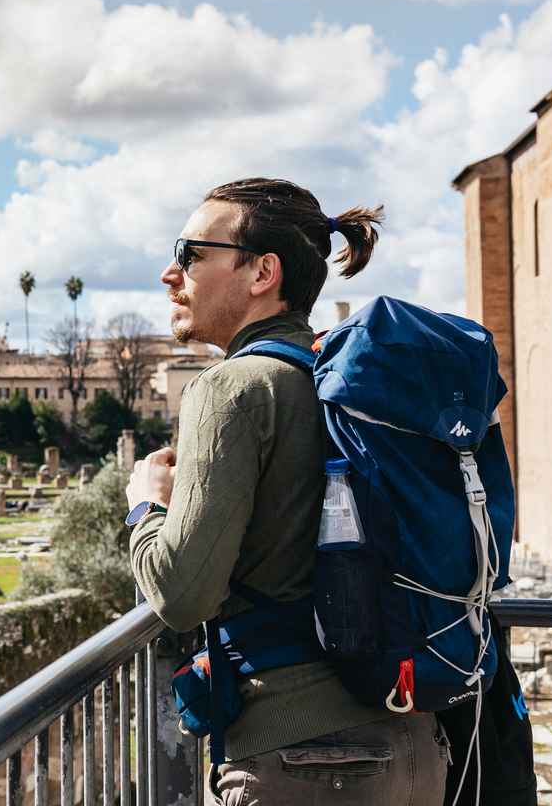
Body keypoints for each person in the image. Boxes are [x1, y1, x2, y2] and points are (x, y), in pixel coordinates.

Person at [126, 178, 448, 805]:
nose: (172, 273)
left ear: (262, 272)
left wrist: (147, 505)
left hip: (302, 759)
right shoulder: (349, 378)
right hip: (416, 745)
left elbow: (182, 593)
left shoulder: (232, 388)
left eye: (191, 253)